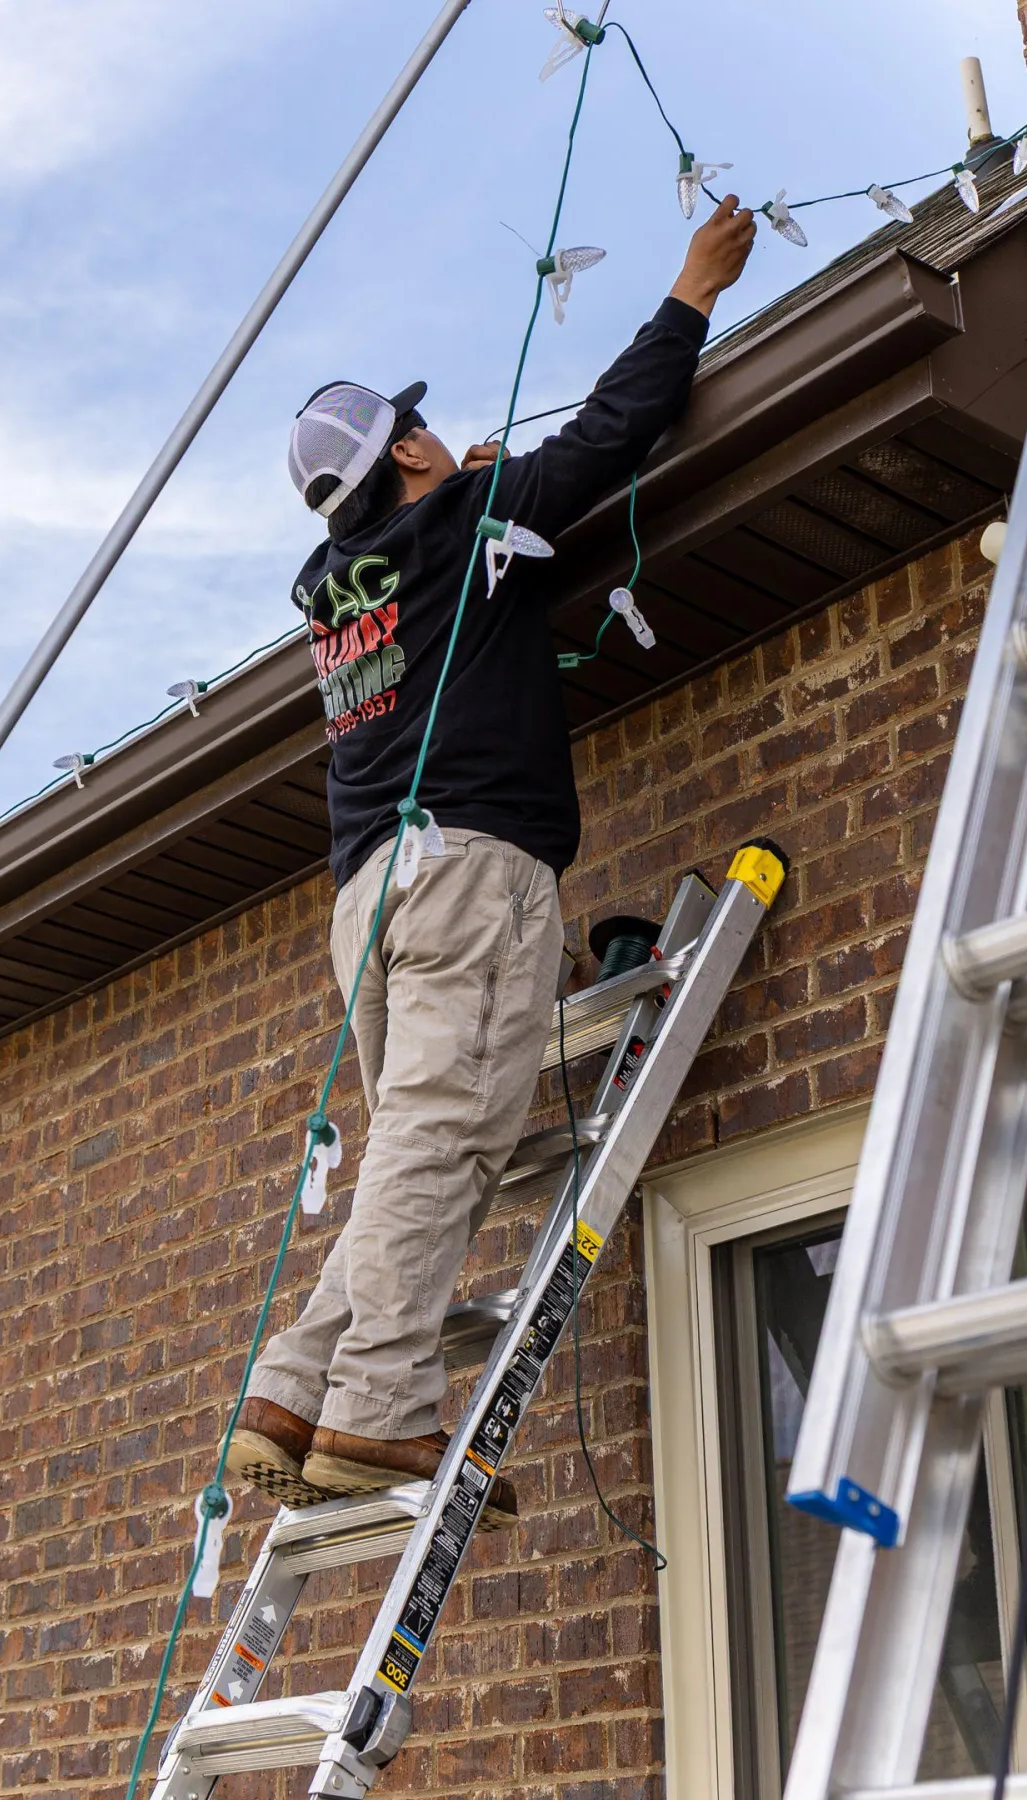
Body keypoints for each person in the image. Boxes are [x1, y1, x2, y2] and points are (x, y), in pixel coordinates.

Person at [225, 196, 756, 1527]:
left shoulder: (345, 578)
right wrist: (692, 286)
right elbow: (605, 440)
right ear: (405, 447)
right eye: (418, 428)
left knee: (416, 1137)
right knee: (446, 1137)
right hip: (468, 868)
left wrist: (455, 489)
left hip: (369, 897)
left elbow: (442, 541)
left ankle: (294, 1391)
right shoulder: (462, 522)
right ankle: (382, 1412)